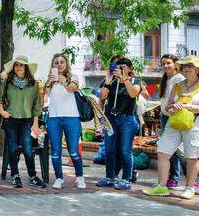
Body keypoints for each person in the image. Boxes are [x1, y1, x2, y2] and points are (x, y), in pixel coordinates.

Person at [143, 55, 199, 200]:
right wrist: (173, 107)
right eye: (185, 66)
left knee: (192, 157)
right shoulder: (177, 85)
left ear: (197, 68)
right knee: (163, 152)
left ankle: (189, 188)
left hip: (193, 124)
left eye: (190, 66)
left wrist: (188, 107)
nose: (187, 68)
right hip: (173, 123)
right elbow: (167, 106)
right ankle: (161, 186)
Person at [0, 55, 44, 188]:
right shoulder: (7, 82)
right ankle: (15, 176)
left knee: (28, 149)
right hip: (10, 119)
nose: (18, 67)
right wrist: (2, 111)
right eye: (16, 65)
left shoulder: (33, 84)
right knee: (12, 148)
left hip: (27, 121)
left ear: (26, 67)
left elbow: (37, 106)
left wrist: (35, 123)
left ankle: (32, 176)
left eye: (21, 65)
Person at [96, 56, 142, 190]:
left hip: (127, 119)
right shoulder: (112, 82)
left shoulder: (135, 81)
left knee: (125, 151)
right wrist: (108, 82)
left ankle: (126, 179)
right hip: (111, 118)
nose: (120, 69)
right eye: (118, 67)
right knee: (109, 150)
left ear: (130, 68)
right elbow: (102, 96)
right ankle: (110, 177)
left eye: (123, 67)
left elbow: (133, 94)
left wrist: (125, 79)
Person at [44, 53, 86, 189]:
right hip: (54, 118)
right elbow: (43, 93)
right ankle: (58, 178)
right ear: (53, 65)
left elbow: (72, 88)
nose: (59, 64)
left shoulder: (73, 77)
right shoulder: (50, 80)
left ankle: (79, 177)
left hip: (71, 117)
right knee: (55, 151)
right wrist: (49, 82)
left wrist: (64, 81)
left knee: (73, 150)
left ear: (66, 64)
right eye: (56, 62)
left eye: (62, 62)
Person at [157, 54, 185, 190]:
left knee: (180, 151)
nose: (165, 66)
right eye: (163, 64)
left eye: (168, 63)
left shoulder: (180, 79)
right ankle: (173, 178)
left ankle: (186, 179)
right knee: (168, 150)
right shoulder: (166, 79)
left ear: (175, 64)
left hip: (177, 117)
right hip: (165, 116)